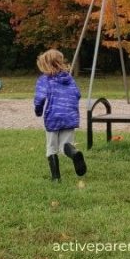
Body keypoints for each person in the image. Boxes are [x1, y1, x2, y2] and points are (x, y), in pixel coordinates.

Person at [34, 49, 87, 182]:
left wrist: (38, 110)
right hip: (70, 116)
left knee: (51, 147)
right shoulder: (69, 78)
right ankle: (74, 154)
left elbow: (39, 98)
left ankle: (56, 177)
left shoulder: (44, 80)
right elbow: (78, 94)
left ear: (44, 64)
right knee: (66, 146)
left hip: (53, 117)